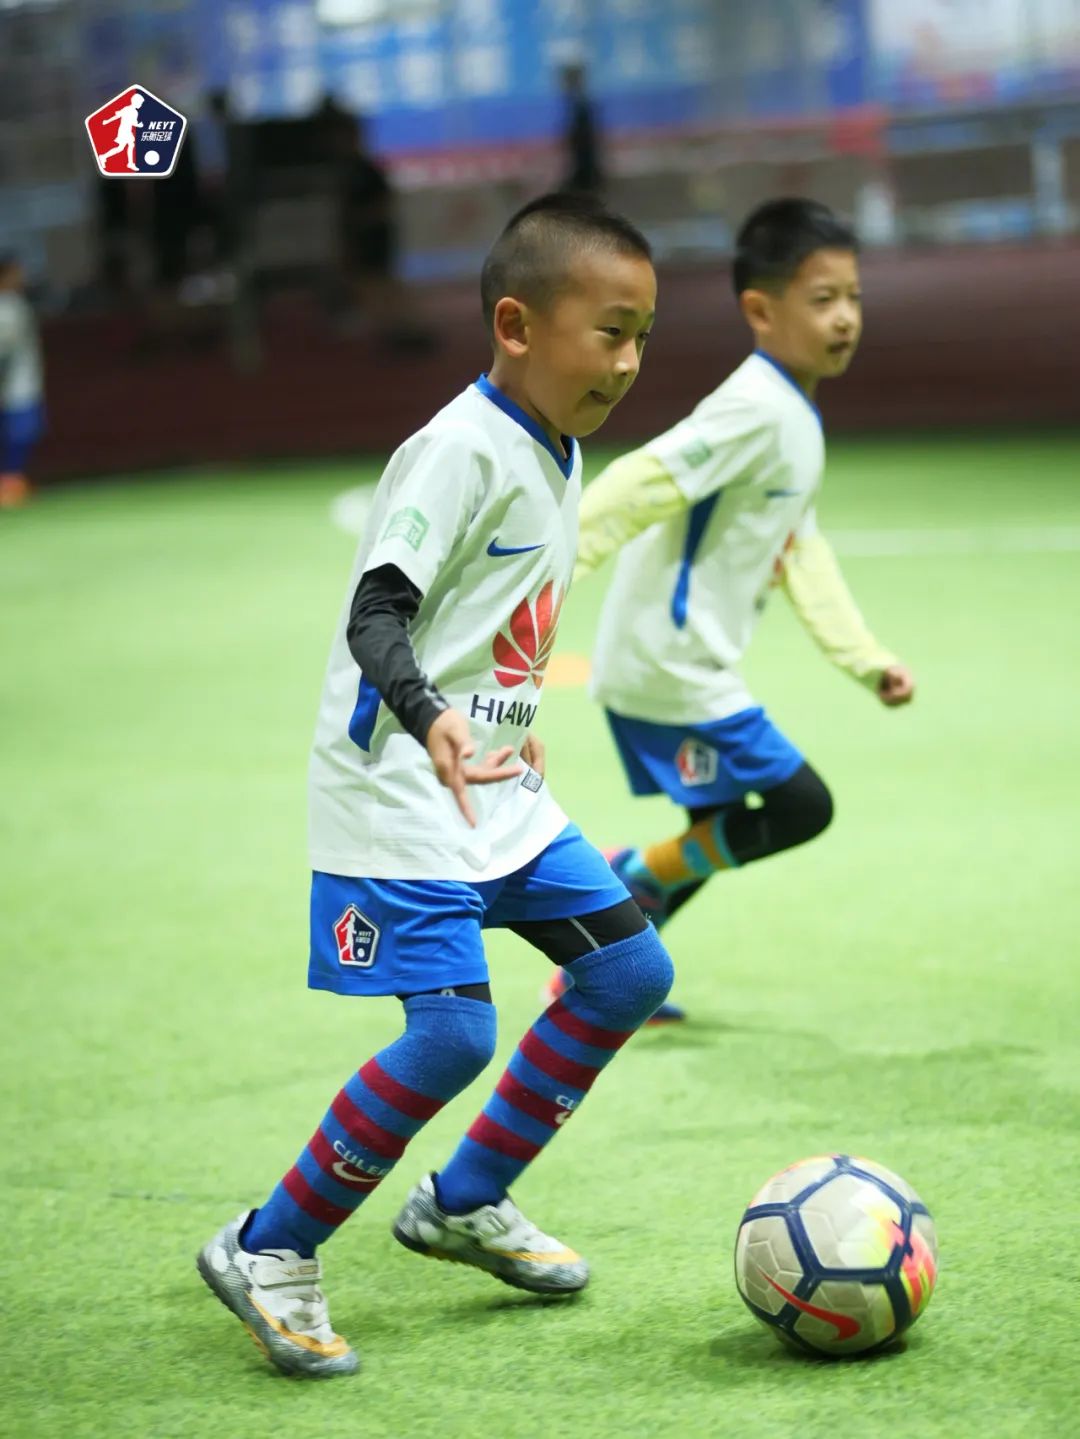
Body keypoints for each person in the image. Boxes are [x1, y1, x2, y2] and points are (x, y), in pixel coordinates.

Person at [196, 192, 666, 1378]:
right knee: (454, 1031)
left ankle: (464, 1200)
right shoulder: (458, 448)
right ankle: (268, 1245)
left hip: (487, 777)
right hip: (397, 783)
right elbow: (377, 615)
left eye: (642, 337)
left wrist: (506, 719)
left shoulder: (557, 444)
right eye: (609, 332)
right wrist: (439, 718)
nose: (628, 362)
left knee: (628, 971)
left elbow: (493, 623)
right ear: (516, 324)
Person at [556, 198, 914, 1022]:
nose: (846, 317)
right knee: (801, 807)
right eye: (822, 299)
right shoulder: (756, 408)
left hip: (672, 661)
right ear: (761, 309)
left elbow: (803, 553)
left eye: (853, 297)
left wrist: (865, 659)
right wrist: (546, 575)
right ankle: (628, 874)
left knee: (714, 829)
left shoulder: (794, 414)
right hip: (669, 666)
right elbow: (641, 480)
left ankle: (601, 981)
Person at [0, 255, 45, 508]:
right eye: (16, 273)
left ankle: (12, 482)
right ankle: (9, 484)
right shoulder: (8, 307)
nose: (22, 278)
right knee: (19, 433)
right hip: (15, 387)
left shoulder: (16, 304)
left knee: (22, 433)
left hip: (21, 383)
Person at [560, 63, 604, 196]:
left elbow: (585, 142)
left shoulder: (581, 104)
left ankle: (587, 180)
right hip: (584, 169)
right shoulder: (578, 103)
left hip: (585, 171)